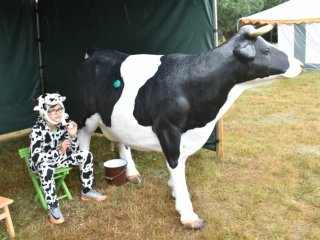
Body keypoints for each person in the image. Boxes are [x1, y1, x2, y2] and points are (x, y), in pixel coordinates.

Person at [29, 93, 106, 224]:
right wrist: (58, 152)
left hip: (59, 159)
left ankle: (87, 190)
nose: (57, 113)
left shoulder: (61, 126)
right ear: (44, 112)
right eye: (52, 110)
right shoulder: (37, 130)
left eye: (59, 109)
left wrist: (72, 135)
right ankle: (53, 206)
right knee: (46, 167)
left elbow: (74, 150)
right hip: (42, 165)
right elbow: (36, 157)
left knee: (85, 154)